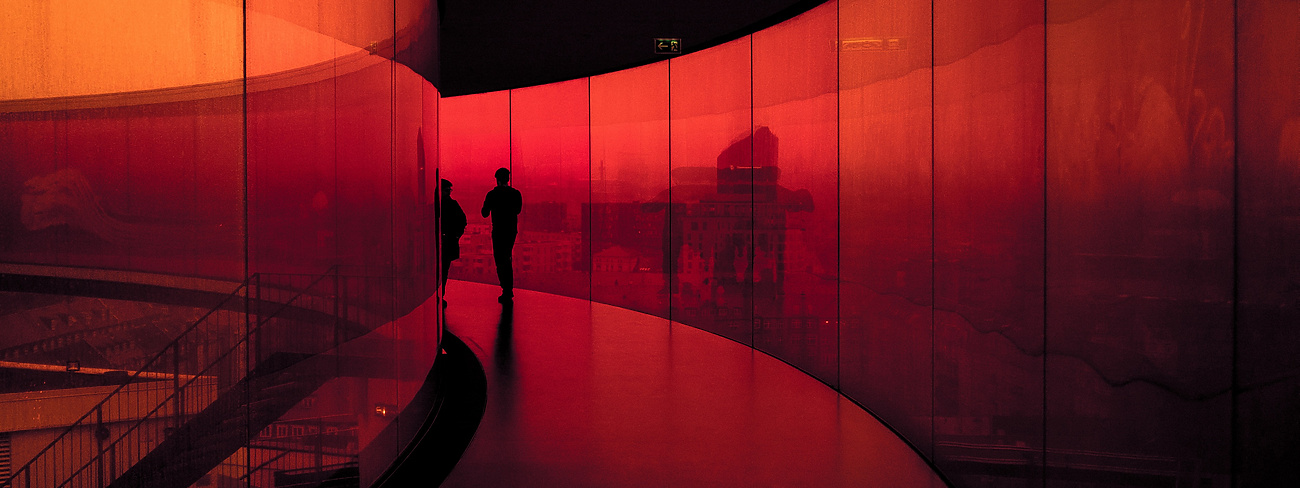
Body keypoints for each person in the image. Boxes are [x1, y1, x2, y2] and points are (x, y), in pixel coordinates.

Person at [481, 167, 522, 303]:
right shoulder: (516, 194)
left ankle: (506, 289)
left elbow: (484, 213)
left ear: (497, 179)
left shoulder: (492, 195)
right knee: (506, 257)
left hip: (498, 230)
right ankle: (508, 290)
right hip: (511, 230)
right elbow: (518, 210)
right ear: (508, 179)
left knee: (500, 260)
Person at [439, 179, 467, 306]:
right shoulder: (452, 205)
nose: (449, 193)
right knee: (444, 270)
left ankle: (438, 295)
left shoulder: (435, 205)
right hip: (448, 243)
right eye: (447, 190)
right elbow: (462, 221)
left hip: (441, 243)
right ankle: (440, 295)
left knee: (441, 271)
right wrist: (455, 236)